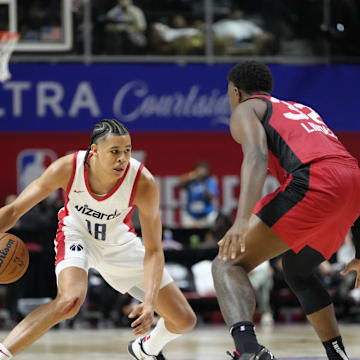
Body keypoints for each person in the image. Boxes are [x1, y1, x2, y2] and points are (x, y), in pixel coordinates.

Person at [0, 119, 196, 360]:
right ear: (94, 151)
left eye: (127, 151)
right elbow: (14, 210)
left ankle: (146, 349)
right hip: (76, 234)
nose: (122, 158)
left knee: (184, 320)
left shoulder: (142, 181)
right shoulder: (67, 168)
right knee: (70, 301)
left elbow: (154, 250)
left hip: (118, 244)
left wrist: (149, 301)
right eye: (114, 151)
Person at [211, 61, 360, 360]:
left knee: (227, 263)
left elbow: (256, 156)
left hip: (315, 182)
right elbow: (344, 176)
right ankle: (338, 355)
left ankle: (249, 351)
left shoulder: (246, 109)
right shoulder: (302, 109)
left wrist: (241, 221)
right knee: (297, 270)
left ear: (236, 92)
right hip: (352, 180)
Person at [178, 161, 218, 229]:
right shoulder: (191, 181)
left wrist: (203, 183)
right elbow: (180, 183)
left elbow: (211, 196)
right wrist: (193, 175)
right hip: (191, 215)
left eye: (203, 170)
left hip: (206, 215)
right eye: (199, 169)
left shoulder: (209, 181)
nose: (201, 172)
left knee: (213, 220)